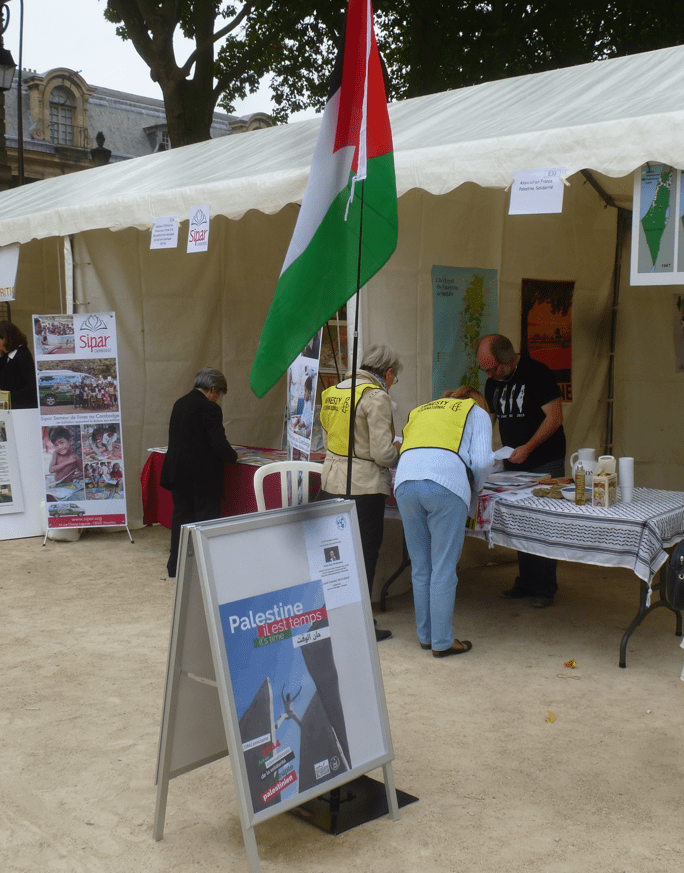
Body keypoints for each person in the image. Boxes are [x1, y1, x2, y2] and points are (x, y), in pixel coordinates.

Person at [395, 389, 495, 657]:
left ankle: (426, 637)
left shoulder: (421, 409)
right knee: (443, 567)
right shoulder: (477, 412)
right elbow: (484, 460)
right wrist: (477, 486)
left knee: (421, 565)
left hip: (404, 483)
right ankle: (442, 642)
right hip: (446, 485)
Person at [476, 334, 566, 607]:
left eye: (493, 368)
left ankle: (546, 588)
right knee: (519, 522)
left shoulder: (537, 373)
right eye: (486, 370)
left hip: (545, 460)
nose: (490, 375)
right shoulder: (493, 382)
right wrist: (479, 450)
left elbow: (555, 417)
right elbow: (488, 419)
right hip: (513, 461)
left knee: (543, 522)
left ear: (507, 359)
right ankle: (526, 582)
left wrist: (528, 446)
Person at [319, 344, 401, 642]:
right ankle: (360, 624)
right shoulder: (376, 397)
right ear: (388, 372)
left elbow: (328, 436)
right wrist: (398, 453)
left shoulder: (335, 390)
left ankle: (334, 616)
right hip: (363, 485)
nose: (392, 383)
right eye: (394, 378)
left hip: (331, 480)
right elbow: (382, 454)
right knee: (364, 553)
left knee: (334, 554)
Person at [160, 367, 237, 578]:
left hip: (177, 472)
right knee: (206, 521)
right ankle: (204, 570)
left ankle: (176, 566)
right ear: (213, 389)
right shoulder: (209, 408)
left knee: (181, 519)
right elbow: (217, 443)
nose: (218, 398)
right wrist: (233, 456)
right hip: (202, 476)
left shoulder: (180, 403)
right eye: (219, 393)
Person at [0, 321, 38, 409]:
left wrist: (8, 398)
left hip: (22, 408)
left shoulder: (23, 355)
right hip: (10, 408)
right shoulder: (7, 356)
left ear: (5, 339)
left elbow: (30, 387)